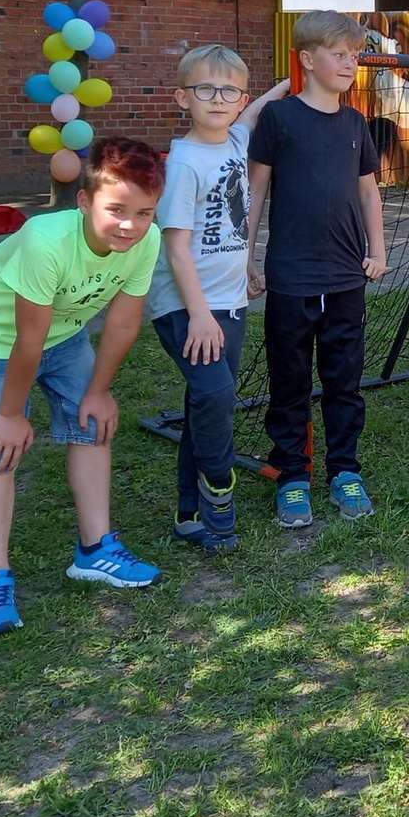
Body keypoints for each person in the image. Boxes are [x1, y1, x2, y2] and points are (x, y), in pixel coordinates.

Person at [0, 138, 166, 635]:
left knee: (93, 424)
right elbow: (29, 339)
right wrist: (10, 414)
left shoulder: (146, 240)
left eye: (144, 213)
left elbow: (123, 324)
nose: (130, 226)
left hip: (64, 333)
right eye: (116, 210)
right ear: (85, 201)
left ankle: (95, 549)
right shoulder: (45, 239)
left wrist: (98, 391)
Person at [146, 45, 290, 553]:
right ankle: (217, 489)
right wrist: (199, 315)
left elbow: (253, 115)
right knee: (215, 396)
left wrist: (288, 82)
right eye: (205, 89)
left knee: (204, 401)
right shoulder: (184, 164)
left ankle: (187, 513)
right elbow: (176, 247)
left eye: (229, 91)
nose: (218, 99)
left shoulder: (235, 138)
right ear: (182, 98)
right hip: (187, 306)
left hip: (229, 301)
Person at [247, 10, 388, 527]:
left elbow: (368, 192)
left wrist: (379, 250)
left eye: (355, 55)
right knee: (289, 382)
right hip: (291, 278)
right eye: (339, 54)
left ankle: (344, 470)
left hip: (347, 276)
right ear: (307, 59)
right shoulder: (279, 119)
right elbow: (255, 191)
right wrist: (246, 256)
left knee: (344, 381)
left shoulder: (354, 124)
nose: (350, 63)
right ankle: (292, 476)